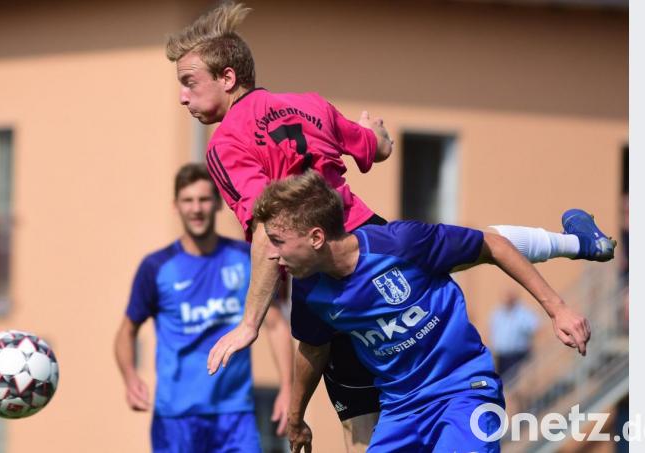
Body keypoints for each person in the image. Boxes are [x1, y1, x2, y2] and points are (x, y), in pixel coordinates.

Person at [165, 2, 614, 450]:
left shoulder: (224, 145)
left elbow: (267, 230)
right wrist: (375, 134)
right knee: (475, 248)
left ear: (227, 78)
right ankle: (574, 241)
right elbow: (374, 148)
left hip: (325, 270)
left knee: (360, 417)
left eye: (189, 83)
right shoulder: (309, 105)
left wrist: (249, 323)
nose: (183, 97)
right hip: (368, 237)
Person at [251, 171, 591, 452]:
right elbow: (313, 348)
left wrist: (557, 309)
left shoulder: (401, 244)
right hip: (401, 410)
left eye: (278, 242)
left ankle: (578, 243)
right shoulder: (311, 288)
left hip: (463, 390)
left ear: (315, 237)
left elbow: (494, 246)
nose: (273, 256)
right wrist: (296, 420)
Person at [113, 163, 293, 453]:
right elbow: (126, 331)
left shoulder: (244, 259)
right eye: (188, 200)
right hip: (176, 416)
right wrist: (130, 376)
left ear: (217, 203)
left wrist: (287, 388)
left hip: (235, 414)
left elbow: (274, 324)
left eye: (204, 199)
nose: (196, 209)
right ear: (176, 206)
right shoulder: (157, 267)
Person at [490, 291, 539, 378]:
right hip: (501, 355)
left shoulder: (523, 313)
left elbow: (535, 328)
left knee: (515, 380)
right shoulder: (498, 313)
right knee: (503, 380)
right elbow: (492, 330)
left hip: (517, 354)